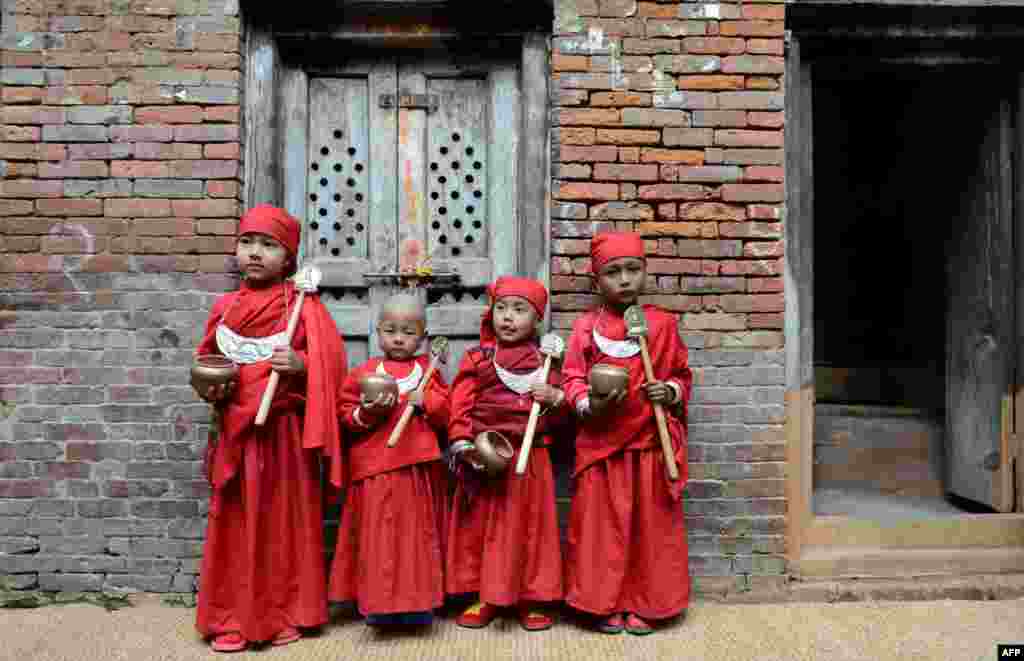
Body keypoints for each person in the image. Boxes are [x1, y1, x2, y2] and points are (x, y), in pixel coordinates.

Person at [192, 205, 346, 652]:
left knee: (282, 525)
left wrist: (301, 366)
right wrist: (212, 386)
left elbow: (332, 368)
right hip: (236, 436)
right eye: (247, 242)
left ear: (289, 258)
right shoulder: (226, 308)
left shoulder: (301, 307)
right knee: (236, 525)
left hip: (282, 436)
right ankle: (229, 617)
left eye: (268, 245)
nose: (255, 253)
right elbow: (207, 362)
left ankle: (284, 612)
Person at [562, 231, 692, 636]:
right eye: (613, 272)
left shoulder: (662, 325)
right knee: (602, 530)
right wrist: (590, 404)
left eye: (633, 270)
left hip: (650, 445)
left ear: (644, 273)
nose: (624, 280)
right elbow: (571, 380)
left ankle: (647, 604)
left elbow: (682, 374)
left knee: (649, 529)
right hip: (602, 447)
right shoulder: (586, 328)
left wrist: (668, 390)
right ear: (596, 281)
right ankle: (604, 603)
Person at [446, 276, 568, 632]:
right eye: (501, 308)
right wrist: (464, 445)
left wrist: (554, 400)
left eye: (519, 310)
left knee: (531, 529)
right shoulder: (479, 358)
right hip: (488, 461)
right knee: (485, 529)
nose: (508, 318)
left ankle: (532, 598)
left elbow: (563, 419)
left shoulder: (545, 364)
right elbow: (460, 405)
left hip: (532, 460)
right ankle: (484, 595)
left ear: (536, 320)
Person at [329, 293, 450, 627]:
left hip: (414, 471)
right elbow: (344, 415)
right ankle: (376, 603)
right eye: (391, 330)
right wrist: (366, 413)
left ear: (423, 337)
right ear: (377, 331)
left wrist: (428, 401)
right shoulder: (364, 373)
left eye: (409, 332)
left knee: (414, 538)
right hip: (374, 470)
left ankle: (418, 604)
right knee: (377, 538)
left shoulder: (428, 371)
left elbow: (446, 412)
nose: (399, 338)